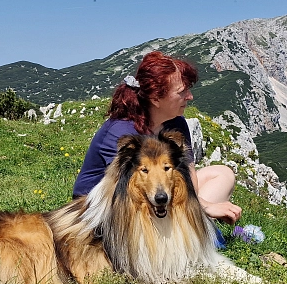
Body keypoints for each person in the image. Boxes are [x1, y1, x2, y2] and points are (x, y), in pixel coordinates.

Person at [73, 51, 242, 225]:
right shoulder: (121, 132)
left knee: (223, 174)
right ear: (155, 98)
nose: (190, 97)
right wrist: (206, 207)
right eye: (182, 92)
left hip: (157, 193)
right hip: (103, 209)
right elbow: (128, 189)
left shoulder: (177, 123)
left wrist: (195, 203)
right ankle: (194, 227)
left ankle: (192, 224)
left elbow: (189, 177)